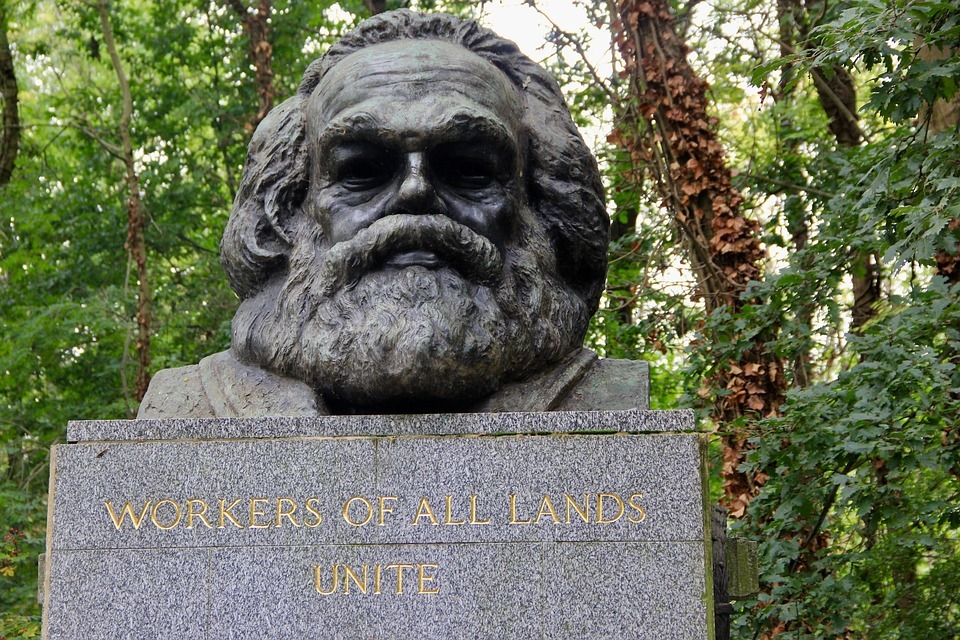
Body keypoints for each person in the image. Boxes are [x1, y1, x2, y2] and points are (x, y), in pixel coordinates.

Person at [138, 10, 647, 418]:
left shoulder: (612, 402)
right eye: (362, 170)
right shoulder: (186, 407)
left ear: (538, 201)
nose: (415, 192)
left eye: (469, 168)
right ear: (290, 208)